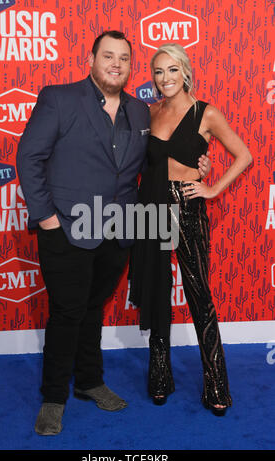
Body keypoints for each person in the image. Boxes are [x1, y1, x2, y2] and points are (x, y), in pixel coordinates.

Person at [17, 31, 211, 435]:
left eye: (124, 58)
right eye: (109, 56)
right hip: (67, 228)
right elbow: (29, 156)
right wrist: (47, 219)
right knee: (67, 313)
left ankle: (89, 381)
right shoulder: (59, 98)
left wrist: (198, 165)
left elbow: (157, 160)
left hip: (118, 229)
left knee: (93, 309)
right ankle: (54, 397)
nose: (116, 64)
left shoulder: (140, 112)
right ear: (91, 59)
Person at [129, 43, 253, 416]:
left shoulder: (205, 113)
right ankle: (160, 378)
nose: (164, 78)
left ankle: (216, 384)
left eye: (171, 70)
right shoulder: (149, 112)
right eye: (157, 72)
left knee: (199, 295)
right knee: (156, 290)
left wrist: (212, 185)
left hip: (186, 207)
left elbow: (244, 155)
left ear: (185, 71)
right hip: (150, 206)